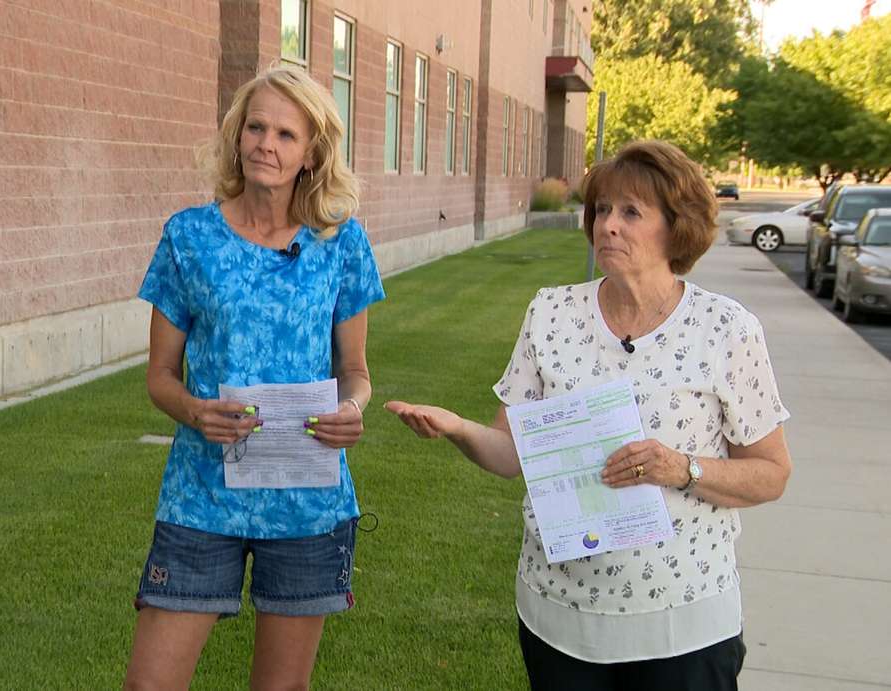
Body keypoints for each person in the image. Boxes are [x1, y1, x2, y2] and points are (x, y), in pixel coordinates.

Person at [385, 140, 792, 690]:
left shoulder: (726, 329)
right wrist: (457, 428)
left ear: (677, 227)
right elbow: (513, 454)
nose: (608, 226)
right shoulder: (552, 313)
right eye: (601, 209)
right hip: (560, 619)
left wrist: (682, 469)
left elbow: (771, 473)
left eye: (630, 213)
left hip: (684, 626)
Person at [123, 65, 385, 691]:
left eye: (286, 134)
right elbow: (161, 376)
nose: (267, 143)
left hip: (306, 497)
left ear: (312, 151)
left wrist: (352, 409)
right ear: (236, 136)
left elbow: (356, 372)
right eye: (256, 127)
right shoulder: (189, 237)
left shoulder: (341, 242)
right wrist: (195, 411)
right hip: (202, 492)